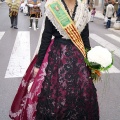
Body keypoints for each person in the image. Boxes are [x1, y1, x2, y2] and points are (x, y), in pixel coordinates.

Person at [9, 0, 99, 119]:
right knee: (55, 94)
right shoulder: (54, 7)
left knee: (79, 95)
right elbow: (46, 37)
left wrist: (91, 63)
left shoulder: (83, 9)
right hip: (56, 57)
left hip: (78, 59)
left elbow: (85, 39)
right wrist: (38, 64)